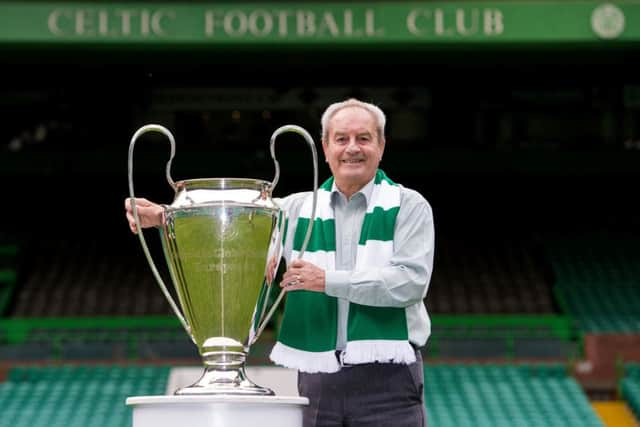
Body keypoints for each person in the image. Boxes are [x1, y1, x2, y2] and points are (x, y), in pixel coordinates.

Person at [125, 98, 434, 427]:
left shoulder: (408, 205)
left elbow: (409, 283)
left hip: (389, 378)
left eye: (364, 138)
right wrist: (164, 216)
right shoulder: (295, 209)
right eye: (341, 139)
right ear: (325, 147)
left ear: (381, 146)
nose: (352, 149)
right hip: (318, 378)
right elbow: (233, 221)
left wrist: (327, 280)